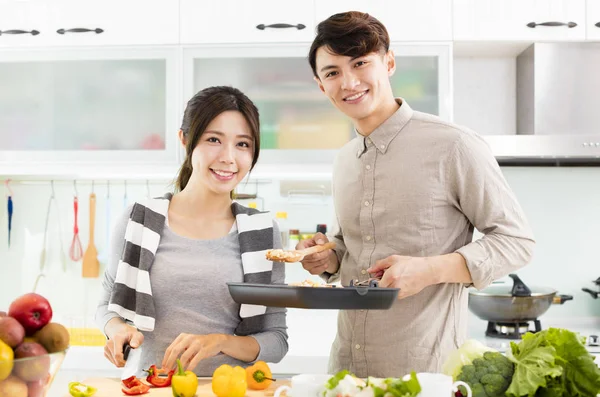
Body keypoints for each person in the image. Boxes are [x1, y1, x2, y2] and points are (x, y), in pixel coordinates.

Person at [297, 11, 535, 378]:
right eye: (332, 72)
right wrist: (327, 258)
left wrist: (428, 270)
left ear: (388, 63)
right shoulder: (344, 160)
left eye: (360, 63)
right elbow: (354, 250)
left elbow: (517, 241)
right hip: (345, 374)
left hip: (425, 375)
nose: (348, 82)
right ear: (321, 86)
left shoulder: (454, 145)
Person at [95, 86, 288, 376]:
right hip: (150, 389)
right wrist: (117, 329)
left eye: (243, 144)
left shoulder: (263, 233)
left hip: (228, 391)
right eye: (214, 139)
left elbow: (277, 340)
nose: (228, 157)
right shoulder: (139, 220)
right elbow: (105, 306)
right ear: (185, 140)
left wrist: (221, 343)